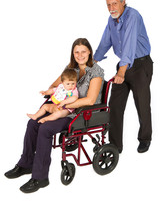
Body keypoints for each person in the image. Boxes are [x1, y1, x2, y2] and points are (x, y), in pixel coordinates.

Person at [5, 38, 104, 193]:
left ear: (89, 52)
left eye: (83, 51)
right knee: (33, 124)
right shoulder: (71, 69)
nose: (80, 55)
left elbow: (90, 100)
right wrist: (55, 98)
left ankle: (40, 177)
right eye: (76, 52)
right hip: (62, 109)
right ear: (73, 53)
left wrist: (63, 105)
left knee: (45, 128)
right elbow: (53, 86)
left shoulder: (96, 71)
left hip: (82, 114)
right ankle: (26, 164)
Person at [94, 0, 153, 153]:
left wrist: (121, 71)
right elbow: (106, 40)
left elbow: (129, 45)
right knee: (114, 105)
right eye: (108, 5)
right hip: (123, 65)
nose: (111, 8)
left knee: (142, 103)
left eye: (114, 4)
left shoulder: (132, 16)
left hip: (140, 65)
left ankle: (145, 138)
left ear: (123, 2)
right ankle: (115, 146)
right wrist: (93, 60)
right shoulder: (111, 20)